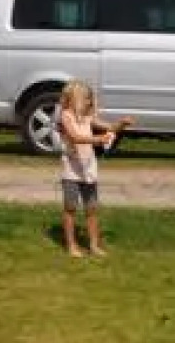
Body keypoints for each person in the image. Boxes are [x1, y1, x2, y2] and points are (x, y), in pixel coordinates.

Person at [56, 80, 132, 258]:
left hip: (89, 169)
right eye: (86, 99)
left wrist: (121, 124)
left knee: (91, 209)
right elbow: (75, 138)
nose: (90, 103)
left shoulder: (88, 118)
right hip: (72, 171)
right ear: (74, 99)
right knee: (70, 207)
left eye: (91, 99)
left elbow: (109, 128)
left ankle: (94, 245)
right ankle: (71, 245)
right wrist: (98, 140)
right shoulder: (66, 116)